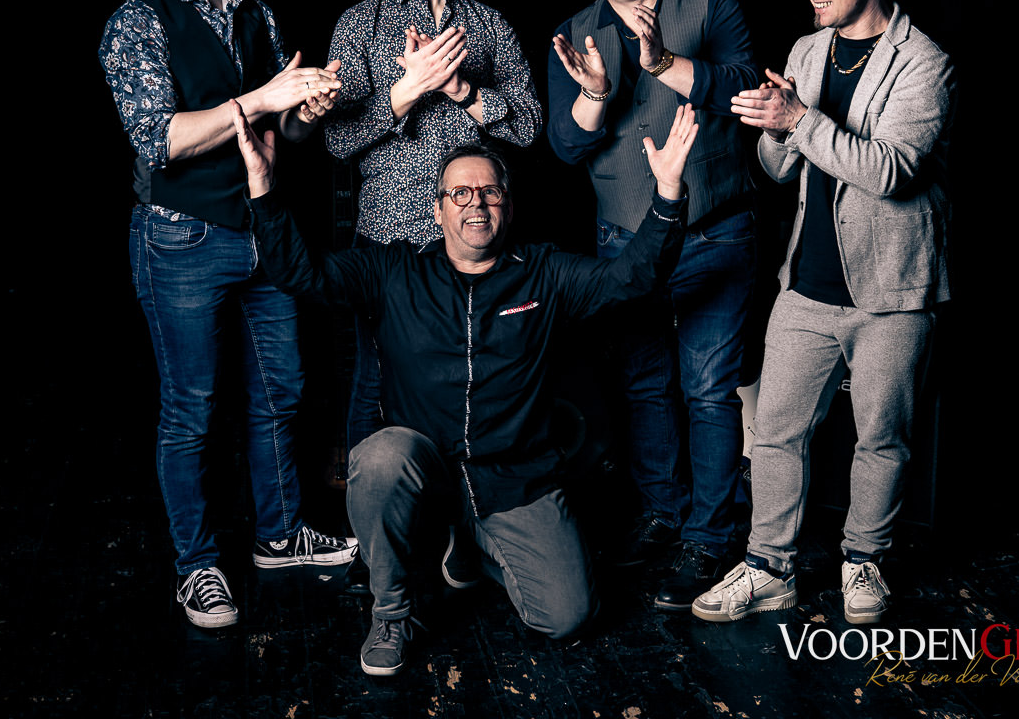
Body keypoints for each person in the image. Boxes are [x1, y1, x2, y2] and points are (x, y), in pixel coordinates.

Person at [234, 98, 698, 676]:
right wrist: (263, 187)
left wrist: (668, 194)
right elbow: (301, 274)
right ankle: (394, 612)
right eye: (459, 193)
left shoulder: (544, 273)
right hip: (425, 470)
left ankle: (473, 543)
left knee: (567, 616)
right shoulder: (393, 271)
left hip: (514, 477)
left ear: (508, 205)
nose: (475, 203)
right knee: (379, 457)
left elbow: (633, 279)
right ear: (437, 210)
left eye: (489, 192)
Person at [99, 0, 355, 629]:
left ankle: (279, 535)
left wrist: (307, 108)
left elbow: (283, 132)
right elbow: (159, 139)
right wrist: (265, 95)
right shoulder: (137, 20)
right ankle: (197, 566)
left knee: (281, 390)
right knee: (192, 410)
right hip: (181, 237)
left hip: (262, 233)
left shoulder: (256, 13)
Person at [692, 0, 955, 627]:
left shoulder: (923, 62)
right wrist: (772, 127)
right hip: (806, 285)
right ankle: (767, 568)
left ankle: (863, 559)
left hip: (891, 290)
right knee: (775, 433)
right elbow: (780, 169)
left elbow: (892, 171)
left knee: (881, 437)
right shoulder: (807, 50)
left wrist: (797, 121)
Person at [548, 0, 758, 609]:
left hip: (713, 229)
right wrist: (595, 94)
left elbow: (741, 86)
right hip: (626, 241)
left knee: (707, 388)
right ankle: (665, 511)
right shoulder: (573, 32)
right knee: (644, 383)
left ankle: (709, 535)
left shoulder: (710, 3)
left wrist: (663, 60)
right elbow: (566, 146)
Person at [324, 0, 541, 449]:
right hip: (390, 237)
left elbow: (528, 128)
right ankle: (371, 497)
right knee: (376, 378)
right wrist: (405, 92)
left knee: (473, 376)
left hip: (473, 236)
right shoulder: (360, 23)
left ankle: (464, 494)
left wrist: (462, 90)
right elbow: (336, 140)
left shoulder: (488, 24)